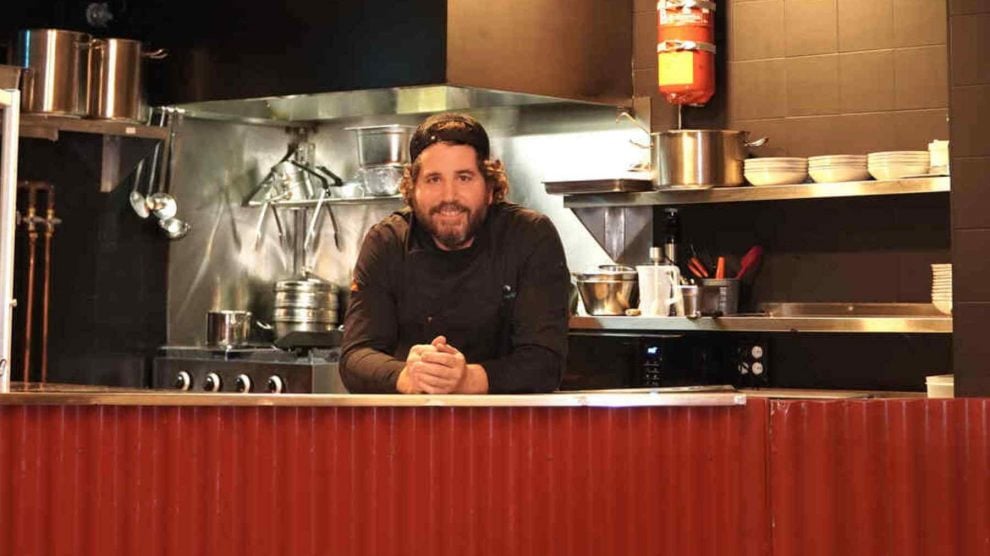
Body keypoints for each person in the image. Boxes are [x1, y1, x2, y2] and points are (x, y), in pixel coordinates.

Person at [340, 112, 570, 394]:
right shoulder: (387, 242)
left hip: (507, 420)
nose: (449, 196)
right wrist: (407, 376)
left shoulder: (529, 236)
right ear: (412, 190)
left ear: (489, 188)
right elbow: (355, 357)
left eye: (464, 178)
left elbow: (545, 362)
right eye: (434, 179)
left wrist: (466, 379)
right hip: (411, 418)